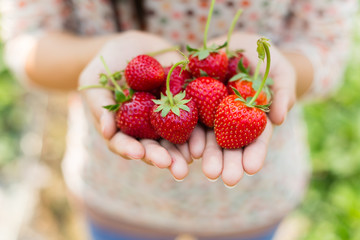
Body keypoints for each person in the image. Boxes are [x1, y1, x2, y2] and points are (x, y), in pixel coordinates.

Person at [1, 0, 357, 239]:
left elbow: (326, 47)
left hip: (250, 202)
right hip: (118, 195)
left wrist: (281, 70)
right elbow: (28, 40)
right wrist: (100, 57)